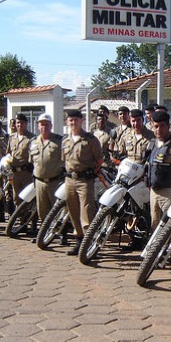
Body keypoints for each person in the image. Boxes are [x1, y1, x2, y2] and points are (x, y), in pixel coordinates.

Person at [62, 109, 104, 256]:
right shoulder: (65, 141)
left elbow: (99, 160)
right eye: (70, 120)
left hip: (85, 181)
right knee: (72, 211)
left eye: (76, 120)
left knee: (86, 211)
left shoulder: (90, 139)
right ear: (67, 122)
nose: (73, 122)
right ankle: (79, 240)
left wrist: (92, 172)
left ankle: (88, 242)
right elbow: (64, 160)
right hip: (69, 180)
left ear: (82, 121)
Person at [29, 113, 64, 234]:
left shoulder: (59, 141)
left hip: (55, 181)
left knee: (58, 210)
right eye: (42, 124)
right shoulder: (33, 142)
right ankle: (44, 233)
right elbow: (31, 162)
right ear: (38, 126)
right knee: (42, 211)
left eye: (46, 124)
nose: (44, 127)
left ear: (51, 126)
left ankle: (61, 233)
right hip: (39, 182)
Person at [6, 113, 35, 208]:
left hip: (27, 172)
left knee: (28, 197)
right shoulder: (11, 137)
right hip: (15, 173)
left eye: (22, 123)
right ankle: (21, 220)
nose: (19, 125)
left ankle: (31, 219)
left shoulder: (32, 138)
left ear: (26, 124)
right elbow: (9, 154)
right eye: (18, 123)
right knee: (17, 198)